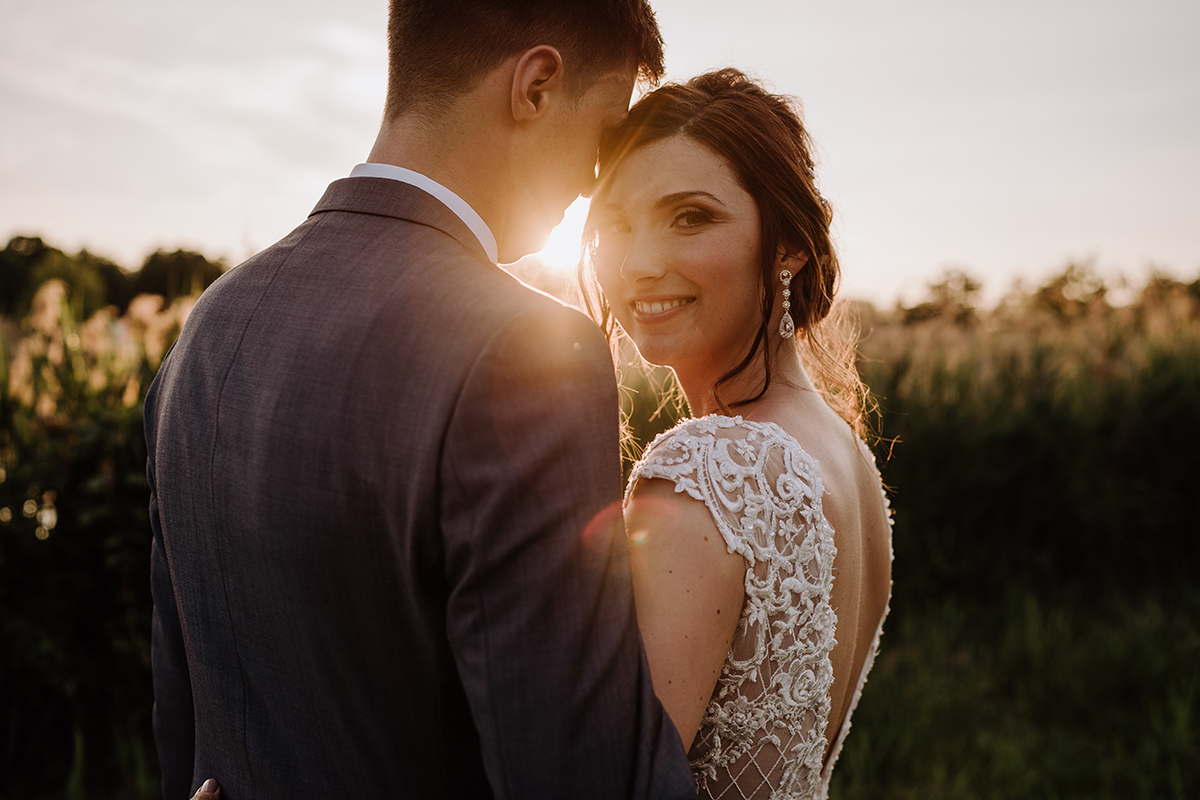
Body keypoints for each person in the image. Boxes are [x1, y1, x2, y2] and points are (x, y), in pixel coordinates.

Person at [144, 1, 698, 798]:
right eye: (606, 134)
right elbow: (577, 770)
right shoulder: (525, 353)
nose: (596, 178)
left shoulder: (211, 325)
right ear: (536, 86)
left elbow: (184, 720)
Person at [578, 69, 894, 798]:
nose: (639, 262)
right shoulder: (846, 456)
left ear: (787, 243)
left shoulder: (717, 466)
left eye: (690, 216)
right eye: (617, 225)